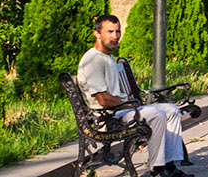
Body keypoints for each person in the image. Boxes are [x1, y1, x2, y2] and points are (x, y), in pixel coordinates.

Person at [78, 14, 192, 177]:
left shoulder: (108, 56)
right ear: (97, 33)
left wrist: (129, 103)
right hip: (106, 118)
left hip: (118, 111)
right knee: (156, 113)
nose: (115, 36)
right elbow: (103, 100)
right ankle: (158, 169)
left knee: (171, 110)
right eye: (110, 32)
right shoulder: (92, 60)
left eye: (117, 32)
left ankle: (170, 164)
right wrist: (128, 102)